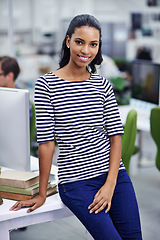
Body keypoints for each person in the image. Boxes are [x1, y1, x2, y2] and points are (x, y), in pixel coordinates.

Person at [10, 14, 143, 240]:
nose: (86, 51)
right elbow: (46, 143)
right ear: (68, 40)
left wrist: (111, 183)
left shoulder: (102, 85)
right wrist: (42, 193)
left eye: (93, 44)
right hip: (77, 182)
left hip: (115, 176)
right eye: (80, 42)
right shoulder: (47, 85)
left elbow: (115, 137)